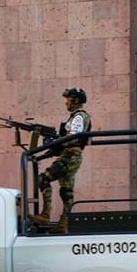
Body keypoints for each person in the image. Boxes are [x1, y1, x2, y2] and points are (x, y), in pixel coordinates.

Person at [29, 87, 92, 233]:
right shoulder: (75, 117)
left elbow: (73, 137)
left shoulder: (79, 116)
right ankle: (63, 224)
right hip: (70, 155)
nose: (66, 103)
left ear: (75, 100)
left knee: (43, 179)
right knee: (66, 192)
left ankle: (45, 215)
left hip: (70, 156)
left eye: (68, 99)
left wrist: (56, 140)